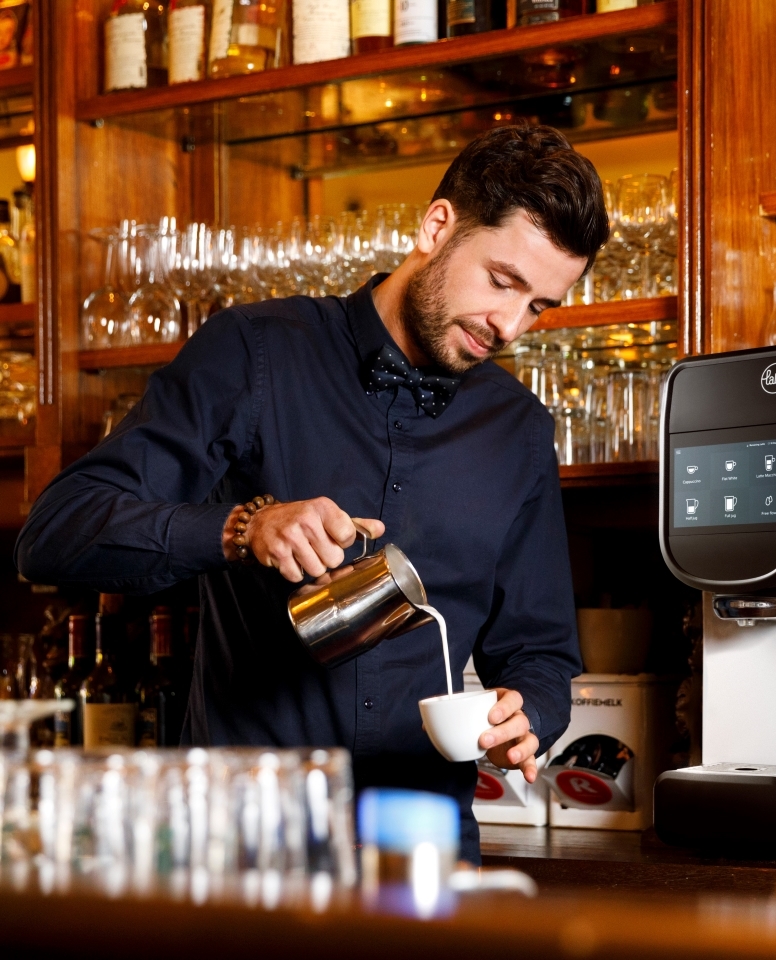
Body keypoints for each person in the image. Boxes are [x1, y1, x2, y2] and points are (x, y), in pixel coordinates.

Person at [15, 124, 610, 863]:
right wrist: (239, 530)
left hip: (421, 848)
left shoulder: (517, 428)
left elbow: (542, 651)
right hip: (245, 841)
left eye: (540, 307)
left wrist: (532, 713)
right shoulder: (256, 351)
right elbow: (55, 534)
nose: (510, 325)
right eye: (503, 281)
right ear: (437, 226)